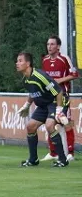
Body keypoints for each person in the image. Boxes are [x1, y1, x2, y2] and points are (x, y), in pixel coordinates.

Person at [15, 52, 69, 167]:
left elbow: (58, 91)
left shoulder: (40, 76)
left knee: (50, 125)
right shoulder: (25, 80)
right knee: (30, 126)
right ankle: (33, 159)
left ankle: (63, 160)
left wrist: (59, 110)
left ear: (28, 63)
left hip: (55, 101)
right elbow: (33, 93)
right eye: (17, 61)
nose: (17, 63)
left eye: (20, 61)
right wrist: (27, 105)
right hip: (43, 106)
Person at [40, 35, 78, 163]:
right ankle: (53, 152)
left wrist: (59, 80)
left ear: (58, 46)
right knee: (49, 123)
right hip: (49, 98)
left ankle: (71, 153)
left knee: (66, 122)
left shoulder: (64, 59)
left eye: (52, 44)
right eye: (48, 44)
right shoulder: (45, 60)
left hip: (63, 96)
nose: (49, 47)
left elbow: (74, 74)